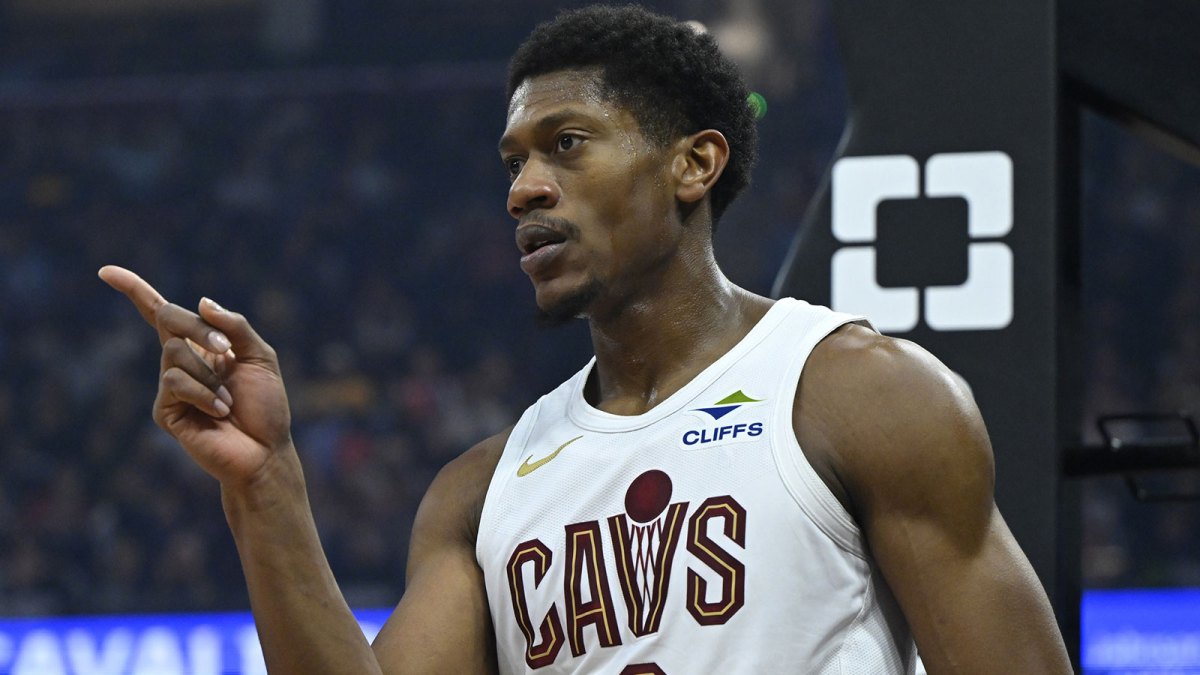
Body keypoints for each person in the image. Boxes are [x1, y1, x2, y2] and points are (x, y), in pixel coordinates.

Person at [100, 4, 1072, 673]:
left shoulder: (858, 392)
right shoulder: (481, 489)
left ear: (695, 164)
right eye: (514, 162)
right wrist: (265, 486)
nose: (524, 190)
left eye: (566, 145)